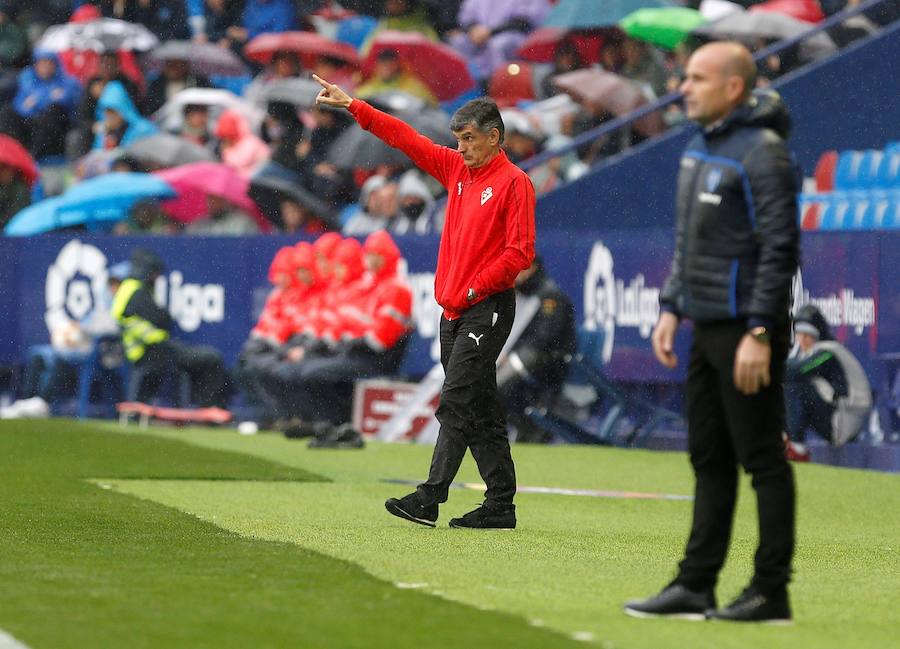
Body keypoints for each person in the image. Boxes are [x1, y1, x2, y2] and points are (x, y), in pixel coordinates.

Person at [624, 42, 800, 623]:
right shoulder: (700, 149)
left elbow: (780, 249)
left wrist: (760, 330)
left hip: (745, 330)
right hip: (703, 325)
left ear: (733, 88)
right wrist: (672, 307)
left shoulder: (764, 154)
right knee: (708, 459)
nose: (684, 87)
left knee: (762, 459)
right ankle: (695, 585)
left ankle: (770, 590)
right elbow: (689, 244)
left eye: (698, 78)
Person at [314, 72, 535, 529]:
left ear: (494, 138)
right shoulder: (457, 170)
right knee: (480, 407)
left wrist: (476, 287)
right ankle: (500, 504)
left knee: (455, 401)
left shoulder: (515, 183)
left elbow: (520, 253)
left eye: (469, 139)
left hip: (487, 306)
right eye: (457, 140)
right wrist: (354, 105)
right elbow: (406, 139)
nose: (461, 148)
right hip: (454, 309)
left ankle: (430, 497)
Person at [111, 248, 228, 408]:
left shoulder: (127, 289)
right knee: (212, 359)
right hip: (154, 352)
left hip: (149, 352)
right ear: (147, 270)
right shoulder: (136, 292)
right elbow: (162, 319)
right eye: (155, 274)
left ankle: (202, 407)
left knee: (202, 359)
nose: (156, 279)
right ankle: (208, 408)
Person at [496, 256, 576, 443]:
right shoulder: (523, 294)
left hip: (549, 364)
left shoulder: (550, 296)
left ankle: (530, 429)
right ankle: (523, 429)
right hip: (527, 360)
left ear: (531, 267)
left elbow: (544, 339)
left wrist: (513, 355)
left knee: (499, 387)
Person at [784, 304, 872, 462]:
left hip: (845, 422)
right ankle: (785, 440)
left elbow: (794, 372)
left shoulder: (828, 351)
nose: (802, 340)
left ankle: (797, 449)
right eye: (799, 334)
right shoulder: (808, 352)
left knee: (795, 386)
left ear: (817, 335)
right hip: (835, 415)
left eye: (808, 335)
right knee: (787, 384)